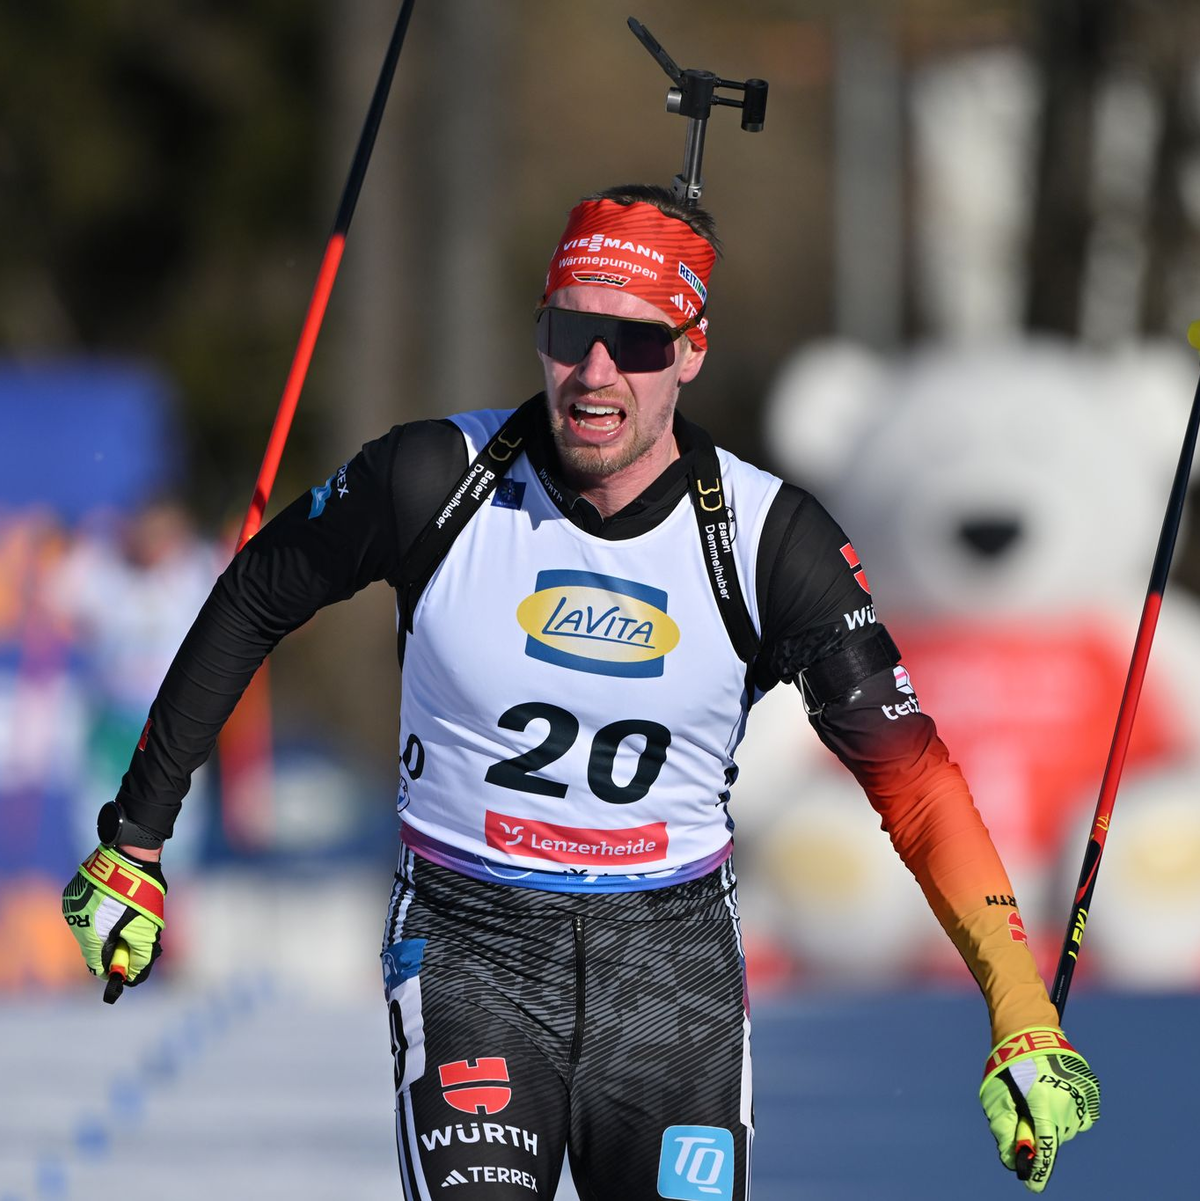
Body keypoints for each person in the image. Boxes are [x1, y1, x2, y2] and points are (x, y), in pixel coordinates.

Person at [62, 184, 1099, 1198]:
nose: (595, 374)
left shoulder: (770, 541)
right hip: (472, 938)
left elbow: (913, 779)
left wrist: (1020, 1008)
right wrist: (136, 837)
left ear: (691, 351)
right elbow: (254, 595)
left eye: (637, 342)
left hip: (671, 961)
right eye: (571, 332)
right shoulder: (437, 477)